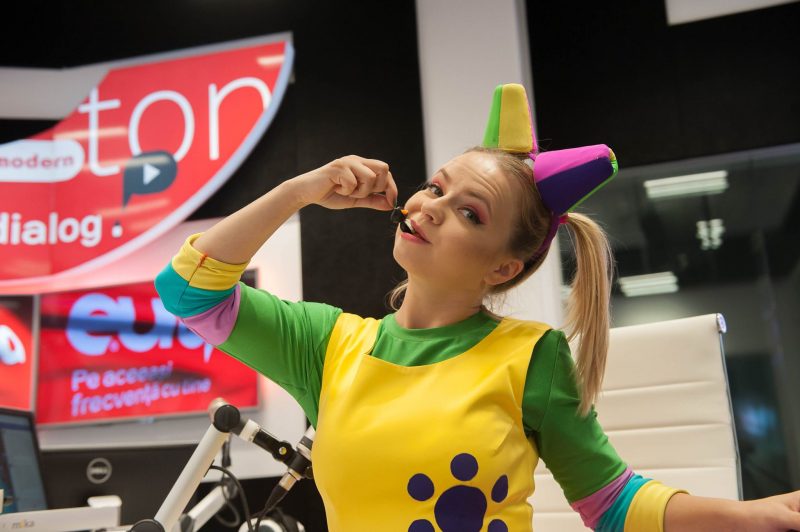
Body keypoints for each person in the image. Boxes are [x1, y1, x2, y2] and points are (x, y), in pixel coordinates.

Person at [155, 84, 800, 531]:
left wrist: (756, 515)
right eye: (435, 187)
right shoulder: (328, 346)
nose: (430, 206)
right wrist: (300, 191)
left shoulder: (532, 357)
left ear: (503, 268)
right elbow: (188, 290)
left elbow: (612, 502)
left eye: (470, 212)